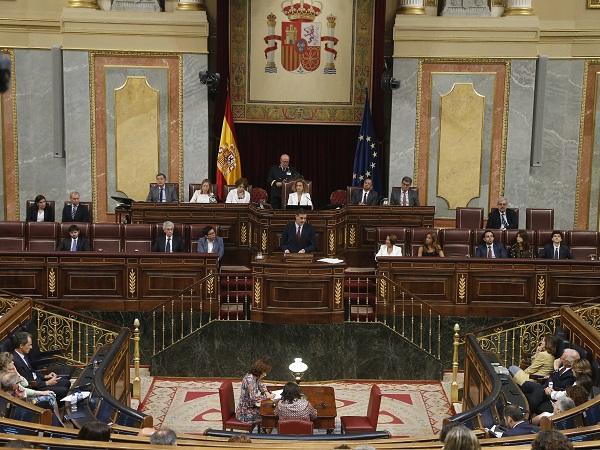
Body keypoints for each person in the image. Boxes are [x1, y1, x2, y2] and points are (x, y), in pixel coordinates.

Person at [0, 352, 62, 422]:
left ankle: (57, 420)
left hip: (23, 398)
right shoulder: (6, 378)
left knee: (50, 395)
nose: (13, 363)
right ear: (4, 367)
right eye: (10, 362)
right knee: (50, 398)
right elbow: (21, 391)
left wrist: (16, 372)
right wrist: (41, 393)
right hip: (20, 404)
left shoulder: (11, 372)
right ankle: (57, 421)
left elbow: (25, 383)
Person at [11, 332, 71, 399]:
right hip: (34, 388)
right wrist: (47, 383)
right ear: (21, 345)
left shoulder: (23, 354)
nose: (31, 347)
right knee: (63, 391)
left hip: (38, 381)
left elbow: (32, 371)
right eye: (29, 345)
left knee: (66, 382)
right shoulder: (15, 361)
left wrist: (46, 376)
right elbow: (26, 383)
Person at [522, 348, 579, 415]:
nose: (560, 359)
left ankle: (526, 414)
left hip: (552, 394)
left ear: (569, 362)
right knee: (526, 384)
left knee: (538, 392)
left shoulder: (572, 374)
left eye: (563, 358)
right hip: (545, 386)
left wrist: (551, 391)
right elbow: (554, 375)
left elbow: (561, 386)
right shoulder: (563, 366)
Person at [236, 359, 274, 423]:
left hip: (252, 406)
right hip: (244, 412)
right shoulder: (250, 380)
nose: (265, 375)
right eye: (264, 372)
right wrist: (268, 397)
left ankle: (266, 429)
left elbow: (261, 385)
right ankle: (265, 430)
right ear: (259, 370)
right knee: (269, 413)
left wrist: (266, 392)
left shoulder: (255, 377)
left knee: (270, 409)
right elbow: (254, 398)